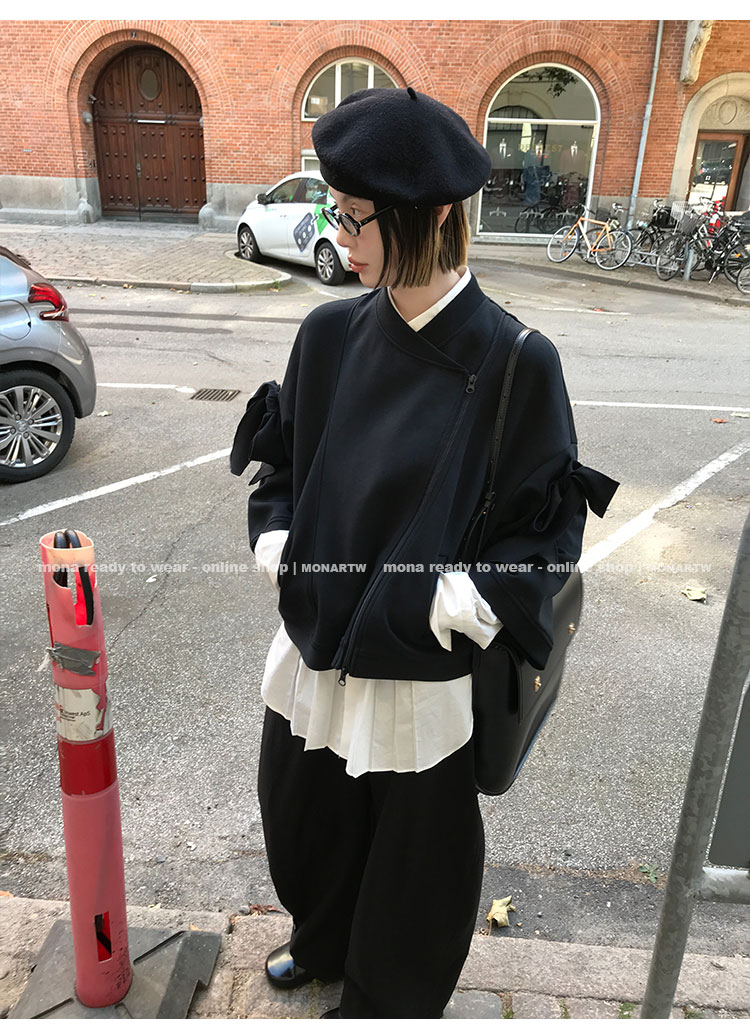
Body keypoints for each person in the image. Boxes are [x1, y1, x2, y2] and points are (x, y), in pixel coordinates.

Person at [230, 87, 618, 1019]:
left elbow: (544, 529)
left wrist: (462, 602)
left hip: (423, 657)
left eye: (356, 218)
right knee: (304, 807)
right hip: (320, 633)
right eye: (335, 212)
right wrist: (278, 536)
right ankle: (323, 939)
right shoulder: (328, 334)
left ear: (436, 215)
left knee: (416, 852)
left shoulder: (516, 359)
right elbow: (284, 464)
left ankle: (387, 998)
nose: (340, 238)